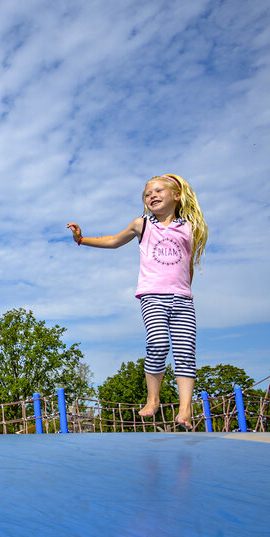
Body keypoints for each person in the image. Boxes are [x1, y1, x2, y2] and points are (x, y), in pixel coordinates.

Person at [67, 174, 208, 430]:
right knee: (158, 343)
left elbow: (187, 264)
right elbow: (113, 241)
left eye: (158, 191)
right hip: (152, 296)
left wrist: (186, 290)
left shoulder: (188, 227)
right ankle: (153, 398)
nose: (151, 196)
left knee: (186, 353)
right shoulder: (142, 225)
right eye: (147, 194)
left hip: (183, 299)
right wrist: (81, 239)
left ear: (176, 196)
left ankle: (185, 409)